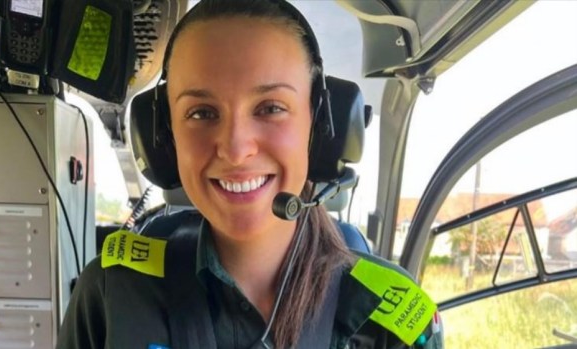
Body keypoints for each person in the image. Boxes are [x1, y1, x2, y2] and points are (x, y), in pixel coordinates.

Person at [57, 0, 444, 348]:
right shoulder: (111, 294)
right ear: (163, 138)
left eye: (270, 107)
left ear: (323, 128)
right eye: (201, 113)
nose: (236, 148)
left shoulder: (394, 321)